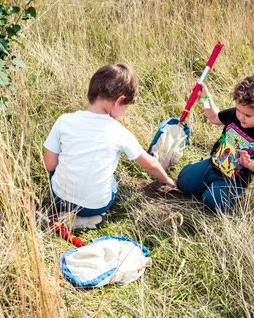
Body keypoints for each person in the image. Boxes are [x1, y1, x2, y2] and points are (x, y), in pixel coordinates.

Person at [43, 64, 176, 229]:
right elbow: (150, 163)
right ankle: (90, 219)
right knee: (111, 181)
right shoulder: (118, 131)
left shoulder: (64, 120)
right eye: (125, 107)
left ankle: (69, 215)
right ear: (119, 101)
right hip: (96, 204)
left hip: (60, 200)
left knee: (56, 170)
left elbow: (49, 164)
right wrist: (166, 179)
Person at [177, 75, 254, 212]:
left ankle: (216, 191)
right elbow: (214, 117)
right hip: (213, 165)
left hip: (233, 181)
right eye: (238, 110)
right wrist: (205, 98)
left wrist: (249, 164)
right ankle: (202, 174)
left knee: (213, 203)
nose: (241, 117)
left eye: (248, 116)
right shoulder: (233, 115)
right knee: (183, 182)